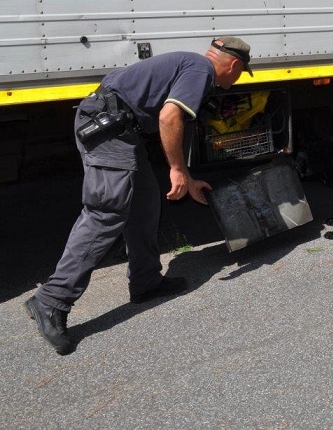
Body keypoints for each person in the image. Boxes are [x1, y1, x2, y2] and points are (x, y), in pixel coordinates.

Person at [24, 37, 253, 354]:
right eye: (239, 74)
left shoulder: (189, 63)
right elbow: (169, 117)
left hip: (119, 130)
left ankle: (145, 282)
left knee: (145, 203)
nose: (232, 83)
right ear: (234, 65)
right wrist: (175, 169)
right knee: (107, 213)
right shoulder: (201, 70)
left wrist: (186, 175)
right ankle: (51, 300)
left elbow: (177, 120)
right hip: (108, 130)